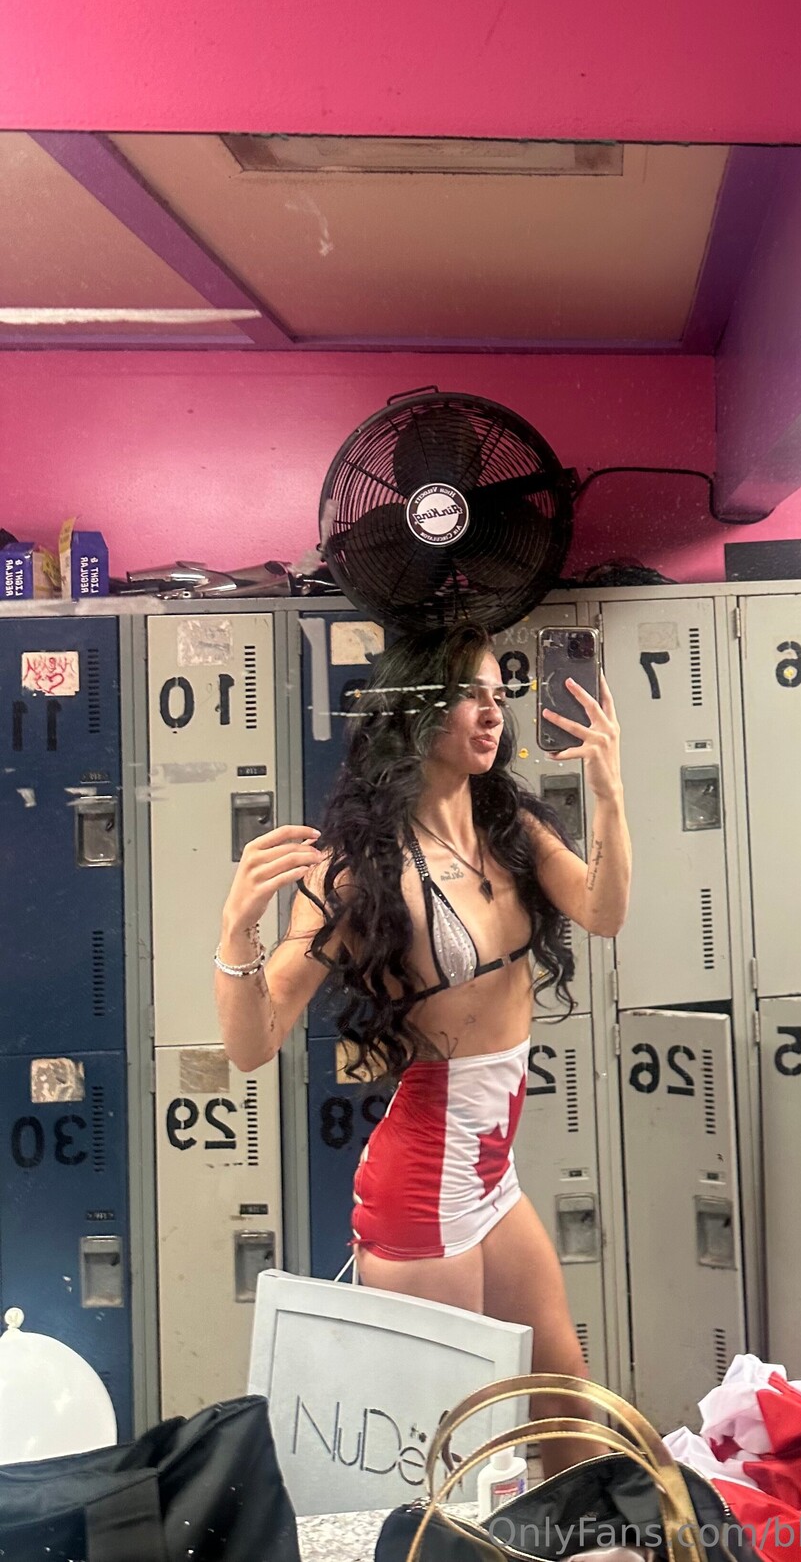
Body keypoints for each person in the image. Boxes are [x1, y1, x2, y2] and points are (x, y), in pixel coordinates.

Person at [215, 621, 630, 1474]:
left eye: (499, 696)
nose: (493, 714)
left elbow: (602, 910)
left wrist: (610, 795)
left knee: (570, 1412)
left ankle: (591, 1532)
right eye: (469, 696)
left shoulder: (509, 825)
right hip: (422, 1187)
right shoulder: (358, 870)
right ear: (416, 712)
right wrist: (235, 930)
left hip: (488, 1175)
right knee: (455, 1460)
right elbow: (253, 1044)